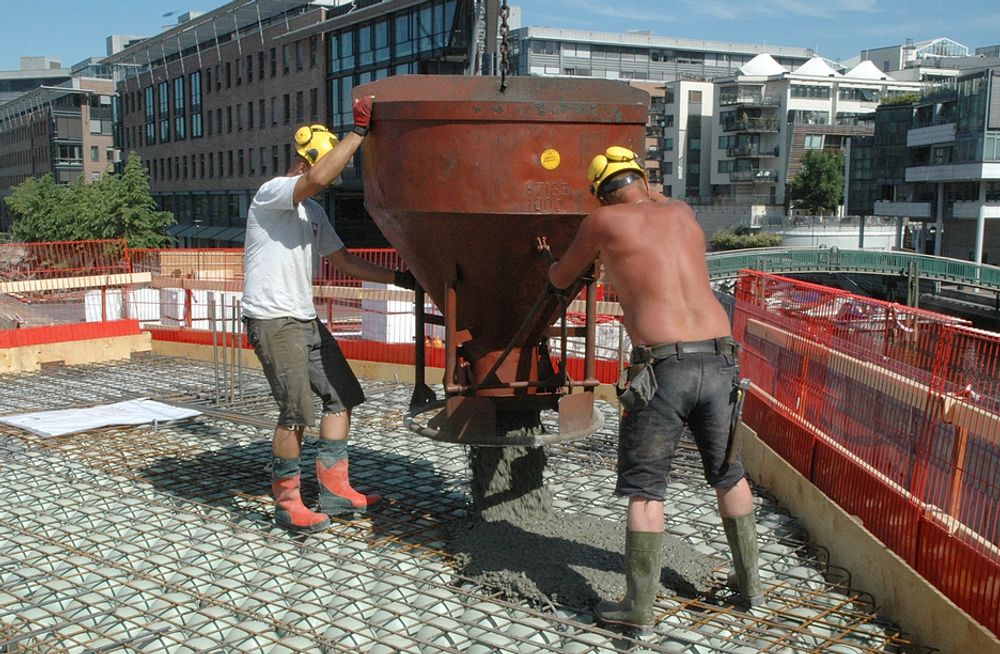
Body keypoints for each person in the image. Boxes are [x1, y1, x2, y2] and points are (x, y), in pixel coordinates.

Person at [543, 146, 762, 631]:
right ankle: (752, 591)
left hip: (664, 367)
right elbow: (653, 203)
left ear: (600, 195)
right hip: (721, 355)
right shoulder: (682, 213)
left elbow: (560, 277)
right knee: (729, 475)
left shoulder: (603, 222)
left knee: (646, 492)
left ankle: (637, 612)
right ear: (642, 179)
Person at [242, 96, 418, 533]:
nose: (329, 182)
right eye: (327, 173)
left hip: (303, 318)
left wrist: (400, 278)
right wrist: (357, 133)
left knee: (342, 396)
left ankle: (335, 491)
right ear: (305, 164)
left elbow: (344, 262)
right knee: (295, 410)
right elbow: (319, 176)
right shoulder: (272, 195)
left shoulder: (313, 211)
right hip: (272, 318)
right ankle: (287, 502)